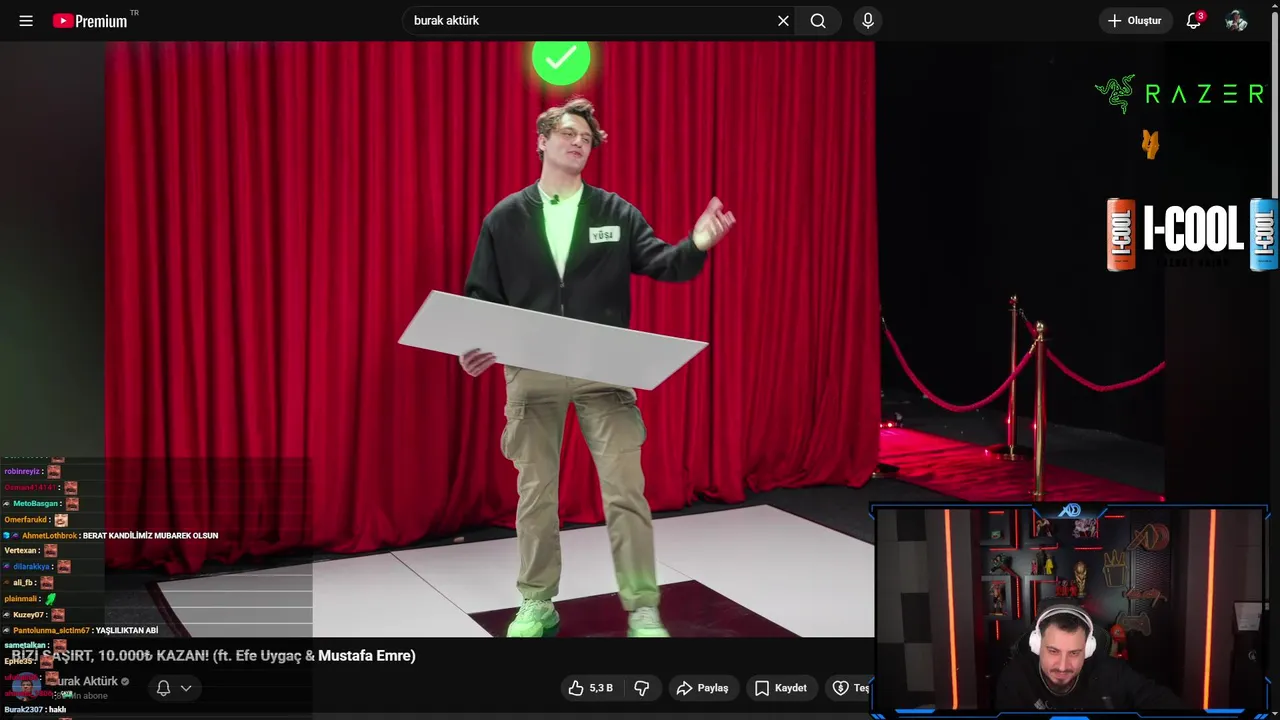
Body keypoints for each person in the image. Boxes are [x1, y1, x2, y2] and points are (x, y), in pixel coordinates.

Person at [461, 97, 736, 638]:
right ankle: (536, 603)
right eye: (567, 133)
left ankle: (642, 607)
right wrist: (473, 346)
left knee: (626, 493)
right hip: (532, 372)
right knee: (536, 494)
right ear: (542, 141)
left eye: (586, 138)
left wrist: (697, 244)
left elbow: (664, 263)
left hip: (604, 374)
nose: (578, 142)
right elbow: (480, 296)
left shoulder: (615, 212)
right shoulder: (505, 217)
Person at [996, 603, 1184, 710]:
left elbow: (1160, 700)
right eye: (1053, 651)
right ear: (1037, 646)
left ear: (1088, 649)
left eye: (1074, 653)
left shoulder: (1112, 672)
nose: (1062, 666)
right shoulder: (1015, 677)